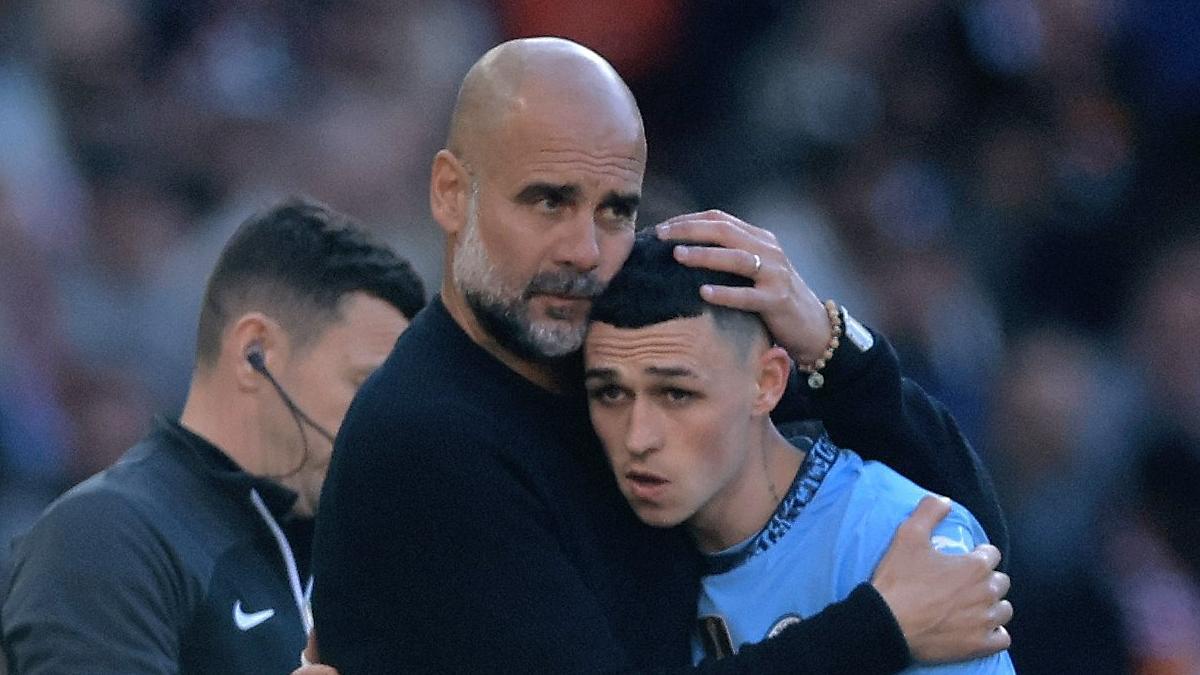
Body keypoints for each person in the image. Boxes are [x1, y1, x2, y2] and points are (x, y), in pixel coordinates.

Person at [310, 37, 1009, 673]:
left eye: (614, 210)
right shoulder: (423, 437)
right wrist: (879, 626)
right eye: (549, 202)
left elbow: (970, 537)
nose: (585, 251)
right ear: (451, 193)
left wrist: (824, 338)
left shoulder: (622, 356)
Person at [1, 198, 426, 674]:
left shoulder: (363, 559)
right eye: (365, 385)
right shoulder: (107, 535)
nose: (383, 422)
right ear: (253, 354)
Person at [583, 233, 1014, 672]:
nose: (638, 438)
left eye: (676, 393)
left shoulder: (897, 537)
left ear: (768, 383)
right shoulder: (604, 554)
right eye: (611, 393)